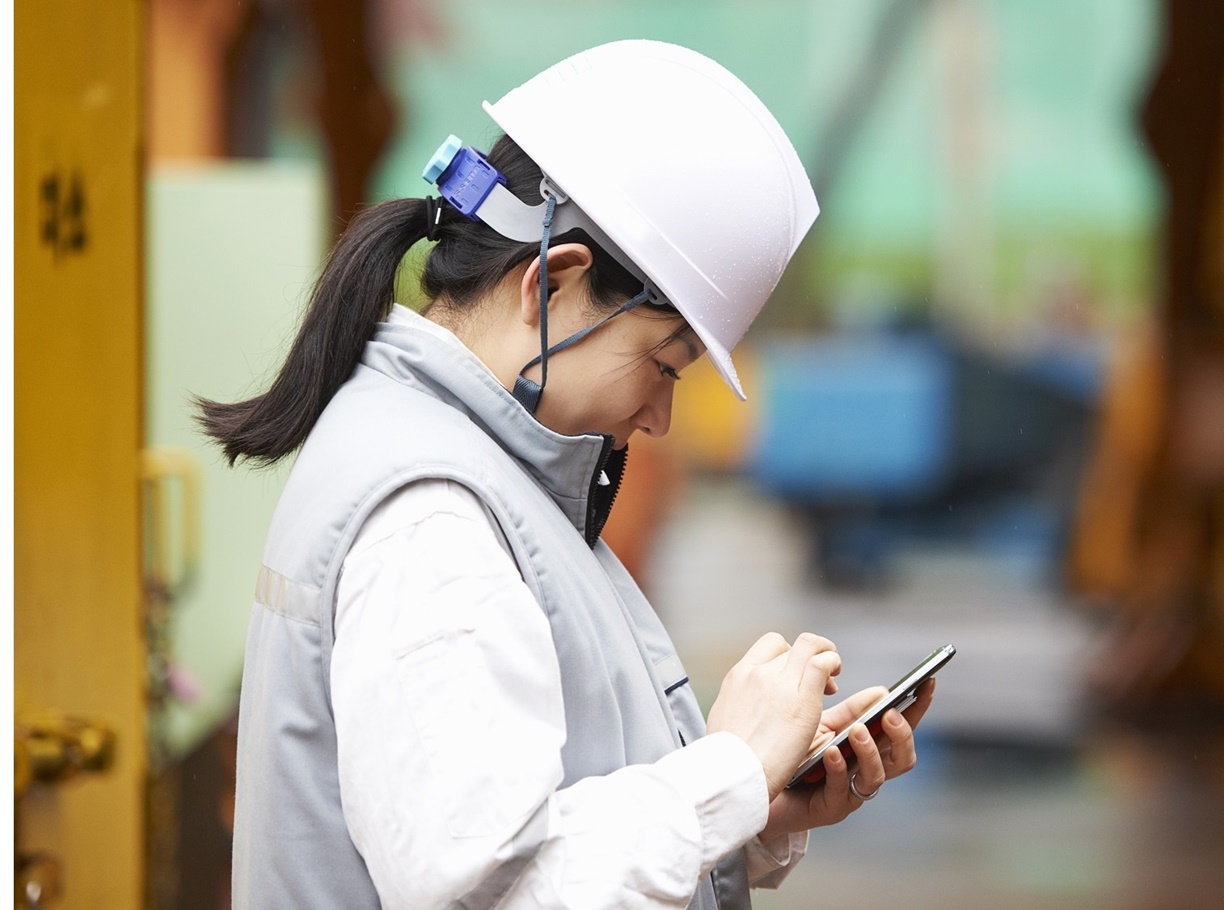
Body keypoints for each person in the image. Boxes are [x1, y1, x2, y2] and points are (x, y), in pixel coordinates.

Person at [198, 40, 933, 910]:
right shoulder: (433, 519)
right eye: (665, 363)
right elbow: (488, 890)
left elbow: (533, 824)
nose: (659, 416)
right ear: (554, 283)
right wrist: (727, 769)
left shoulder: (475, 470)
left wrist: (758, 808)